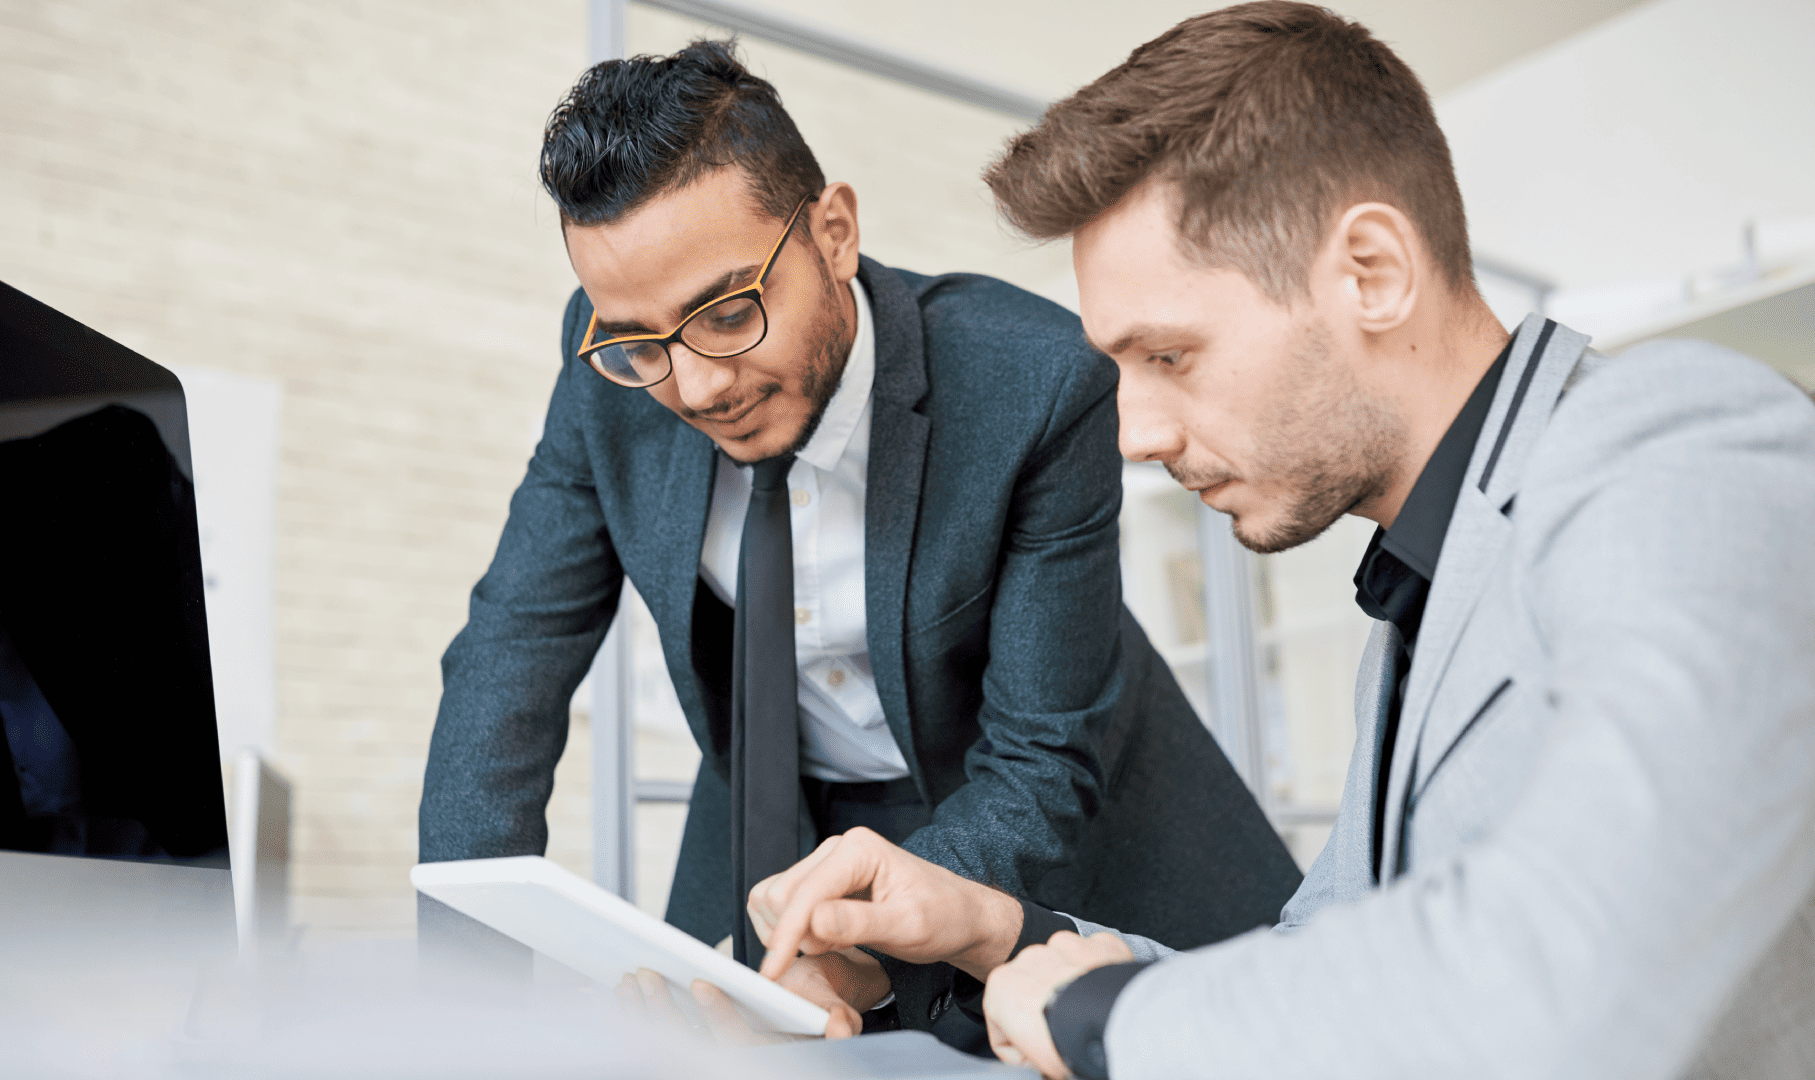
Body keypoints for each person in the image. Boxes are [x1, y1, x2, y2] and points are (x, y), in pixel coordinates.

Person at [747, 4, 1815, 1076]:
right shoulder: (1418, 611)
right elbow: (1321, 970)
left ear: (1374, 272)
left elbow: (1583, 960)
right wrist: (1000, 933)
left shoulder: (1674, 442)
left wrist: (1105, 1023)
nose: (1135, 433)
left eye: (1169, 356)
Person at [417, 39, 1302, 1041]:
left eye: (729, 311)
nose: (697, 384)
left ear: (833, 231)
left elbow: (1043, 757)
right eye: (640, 340)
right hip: (777, 817)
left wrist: (872, 960)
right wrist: (461, 1000)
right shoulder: (606, 374)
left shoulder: (1036, 383)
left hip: (1057, 821)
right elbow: (508, 659)